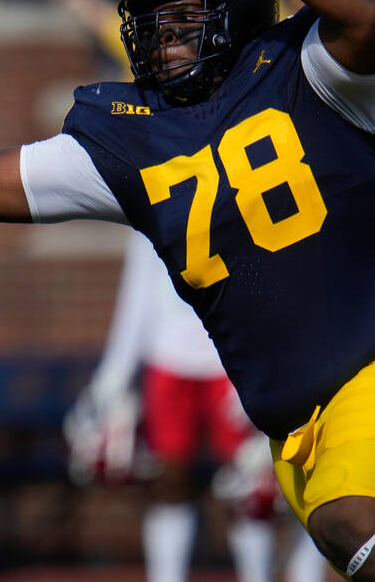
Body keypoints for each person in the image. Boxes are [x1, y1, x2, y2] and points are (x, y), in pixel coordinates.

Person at [0, 0, 375, 578]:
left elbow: (365, 15)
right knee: (338, 537)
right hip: (295, 417)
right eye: (152, 28)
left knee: (354, 524)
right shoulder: (129, 138)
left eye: (186, 21)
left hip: (366, 366)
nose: (166, 44)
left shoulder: (309, 72)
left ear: (241, 10)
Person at [66, 231, 327, 582]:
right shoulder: (150, 187)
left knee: (251, 487)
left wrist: (262, 359)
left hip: (231, 356)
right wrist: (112, 379)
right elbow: (137, 291)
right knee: (168, 479)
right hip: (168, 357)